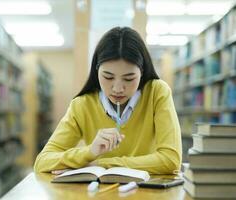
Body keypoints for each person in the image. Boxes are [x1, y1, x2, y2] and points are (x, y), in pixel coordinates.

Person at [34, 27, 182, 175]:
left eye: (129, 78)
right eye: (108, 77)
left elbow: (171, 160)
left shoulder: (157, 92)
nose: (118, 89)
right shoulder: (82, 105)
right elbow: (42, 162)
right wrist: (89, 152)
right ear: (96, 70)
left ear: (142, 72)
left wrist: (101, 163)